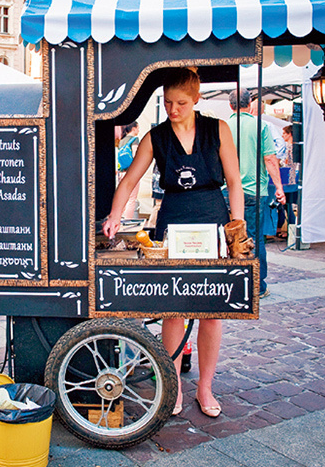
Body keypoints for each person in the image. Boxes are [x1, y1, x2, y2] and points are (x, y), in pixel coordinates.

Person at [103, 67, 245, 419]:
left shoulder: (219, 130)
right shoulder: (155, 136)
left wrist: (236, 229)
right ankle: (174, 386)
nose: (173, 109)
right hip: (173, 223)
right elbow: (129, 179)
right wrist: (114, 216)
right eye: (167, 103)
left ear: (196, 98)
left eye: (181, 102)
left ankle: (205, 387)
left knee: (212, 312)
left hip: (213, 219)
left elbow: (234, 181)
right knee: (173, 308)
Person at [228, 89, 286, 298]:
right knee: (254, 239)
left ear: (231, 105)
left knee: (229, 239)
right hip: (253, 191)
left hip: (227, 191)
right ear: (250, 104)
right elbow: (270, 159)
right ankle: (256, 286)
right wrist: (279, 187)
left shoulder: (224, 127)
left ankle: (231, 284)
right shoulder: (261, 126)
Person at [277, 125, 298, 238]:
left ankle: (291, 230)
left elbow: (288, 164)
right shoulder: (294, 147)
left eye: (284, 133)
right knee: (287, 205)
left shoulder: (290, 147)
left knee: (287, 204)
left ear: (289, 134)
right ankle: (290, 230)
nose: (282, 135)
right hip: (291, 177)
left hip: (289, 178)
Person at [116, 122, 140, 219]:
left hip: (121, 172)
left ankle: (119, 219)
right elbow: (135, 155)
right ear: (133, 129)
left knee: (123, 198)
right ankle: (128, 221)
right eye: (138, 128)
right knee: (132, 198)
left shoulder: (121, 141)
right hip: (131, 173)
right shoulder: (135, 139)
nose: (138, 130)